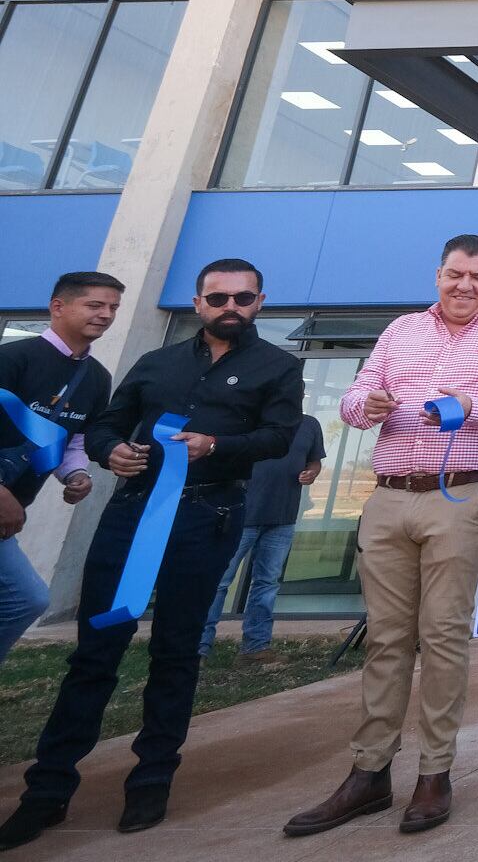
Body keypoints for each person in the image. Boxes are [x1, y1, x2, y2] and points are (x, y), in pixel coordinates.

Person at [0, 259, 302, 850]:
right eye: (218, 298)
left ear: (259, 302)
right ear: (198, 304)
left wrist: (215, 444)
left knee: (177, 651)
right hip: (131, 513)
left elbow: (280, 437)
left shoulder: (280, 366)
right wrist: (111, 453)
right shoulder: (156, 363)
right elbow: (106, 424)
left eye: (243, 298)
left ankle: (152, 779)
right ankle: (47, 791)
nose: (230, 308)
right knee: (94, 653)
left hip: (209, 515)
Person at [286, 235, 478, 837]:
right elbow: (353, 400)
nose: (465, 286)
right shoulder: (401, 330)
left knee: (444, 634)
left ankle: (434, 772)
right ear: (438, 275)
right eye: (456, 274)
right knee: (386, 638)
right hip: (388, 495)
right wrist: (364, 405)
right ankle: (369, 772)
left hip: (464, 492)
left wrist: (468, 404)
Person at [0, 272, 123, 666]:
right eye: (95, 305)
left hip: (8, 514)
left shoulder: (97, 378)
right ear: (58, 307)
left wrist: (75, 474)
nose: (106, 315)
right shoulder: (12, 359)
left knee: (26, 600)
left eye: (113, 308)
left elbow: (73, 439)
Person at [199, 413, 324, 662]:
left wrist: (311, 473)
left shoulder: (309, 425)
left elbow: (315, 461)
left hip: (282, 517)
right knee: (219, 582)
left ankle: (255, 647)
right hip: (241, 515)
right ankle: (198, 647)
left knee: (267, 583)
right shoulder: (250, 419)